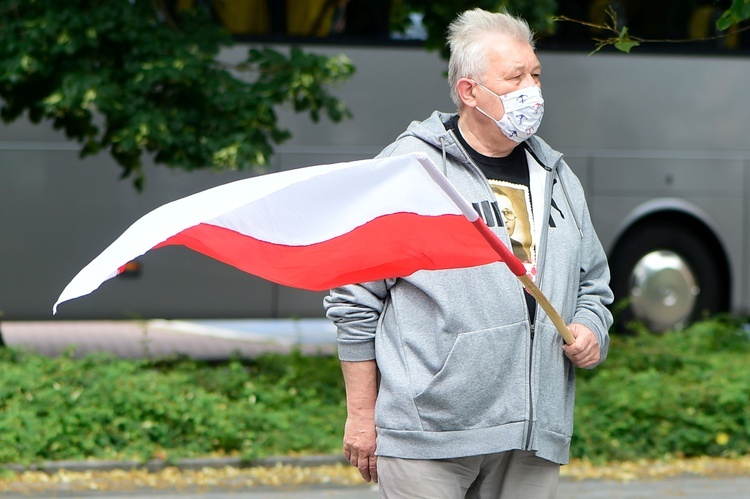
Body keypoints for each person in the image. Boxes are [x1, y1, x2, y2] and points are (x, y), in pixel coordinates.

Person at [324, 8, 613, 498]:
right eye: (515, 78)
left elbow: (593, 284)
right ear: (470, 91)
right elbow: (354, 299)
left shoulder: (557, 176)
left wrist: (592, 327)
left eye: (536, 76)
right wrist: (361, 416)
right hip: (429, 438)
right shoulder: (409, 171)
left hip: (531, 435)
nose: (533, 92)